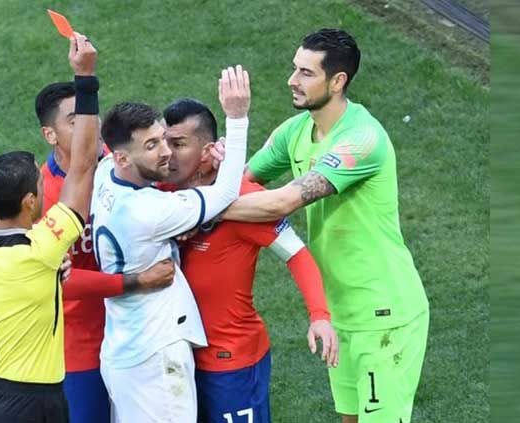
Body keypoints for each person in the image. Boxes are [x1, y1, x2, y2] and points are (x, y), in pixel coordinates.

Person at [223, 29, 430, 423]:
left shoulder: (362, 139)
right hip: (339, 314)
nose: (291, 81)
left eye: (305, 73)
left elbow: (284, 201)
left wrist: (204, 211)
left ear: (338, 82)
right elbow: (242, 180)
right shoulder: (294, 131)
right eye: (294, 69)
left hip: (384, 313)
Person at [160, 98, 337, 423]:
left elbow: (297, 255)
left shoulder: (247, 198)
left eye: (178, 144)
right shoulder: (162, 191)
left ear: (206, 151)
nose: (166, 153)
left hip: (231, 362)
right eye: (163, 142)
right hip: (179, 359)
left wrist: (320, 316)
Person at [90, 65, 251, 422]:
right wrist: (237, 119)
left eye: (164, 138)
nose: (167, 152)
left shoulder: (104, 176)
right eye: (152, 146)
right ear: (122, 157)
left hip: (121, 350)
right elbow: (224, 193)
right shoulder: (149, 210)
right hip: (156, 359)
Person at [0, 33, 100, 423]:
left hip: (1, 394)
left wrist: (52, 273)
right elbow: (83, 166)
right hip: (34, 404)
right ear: (30, 203)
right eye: (39, 183)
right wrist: (86, 79)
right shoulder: (40, 250)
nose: (44, 181)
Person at [33, 80, 175, 423]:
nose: (89, 127)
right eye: (75, 121)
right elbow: (57, 279)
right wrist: (135, 281)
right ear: (50, 135)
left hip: (144, 328)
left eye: (89, 116)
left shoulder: (123, 164)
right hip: (82, 345)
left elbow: (177, 191)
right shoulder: (42, 196)